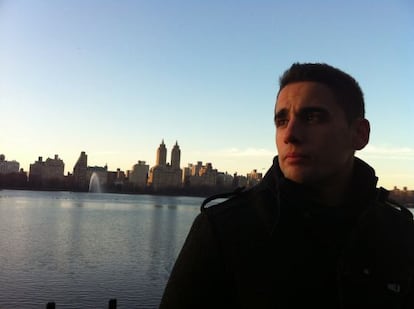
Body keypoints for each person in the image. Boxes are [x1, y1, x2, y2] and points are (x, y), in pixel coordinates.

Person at [159, 63, 414, 308]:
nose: (290, 134)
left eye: (312, 117)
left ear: (359, 134)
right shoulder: (222, 230)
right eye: (281, 121)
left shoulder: (401, 233)